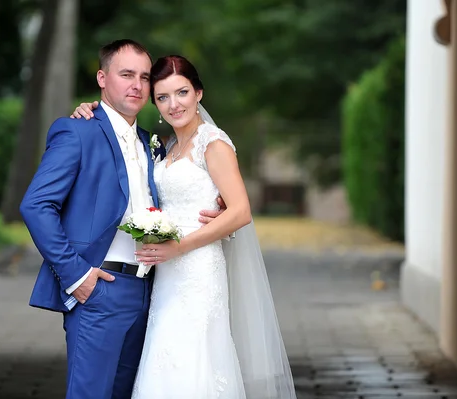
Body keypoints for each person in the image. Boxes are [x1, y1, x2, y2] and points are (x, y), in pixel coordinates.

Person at [72, 55, 296, 398]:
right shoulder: (164, 148)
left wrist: (181, 246)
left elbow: (240, 212)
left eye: (182, 93)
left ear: (199, 94)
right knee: (165, 361)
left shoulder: (214, 143)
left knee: (194, 360)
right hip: (165, 276)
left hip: (198, 271)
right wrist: (90, 109)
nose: (173, 104)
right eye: (162, 97)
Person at [20, 40, 224, 399]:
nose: (137, 85)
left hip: (153, 291)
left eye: (144, 77)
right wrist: (77, 276)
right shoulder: (77, 130)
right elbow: (36, 206)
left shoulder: (152, 143)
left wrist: (215, 199)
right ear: (102, 78)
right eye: (126, 74)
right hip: (100, 289)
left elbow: (174, 196)